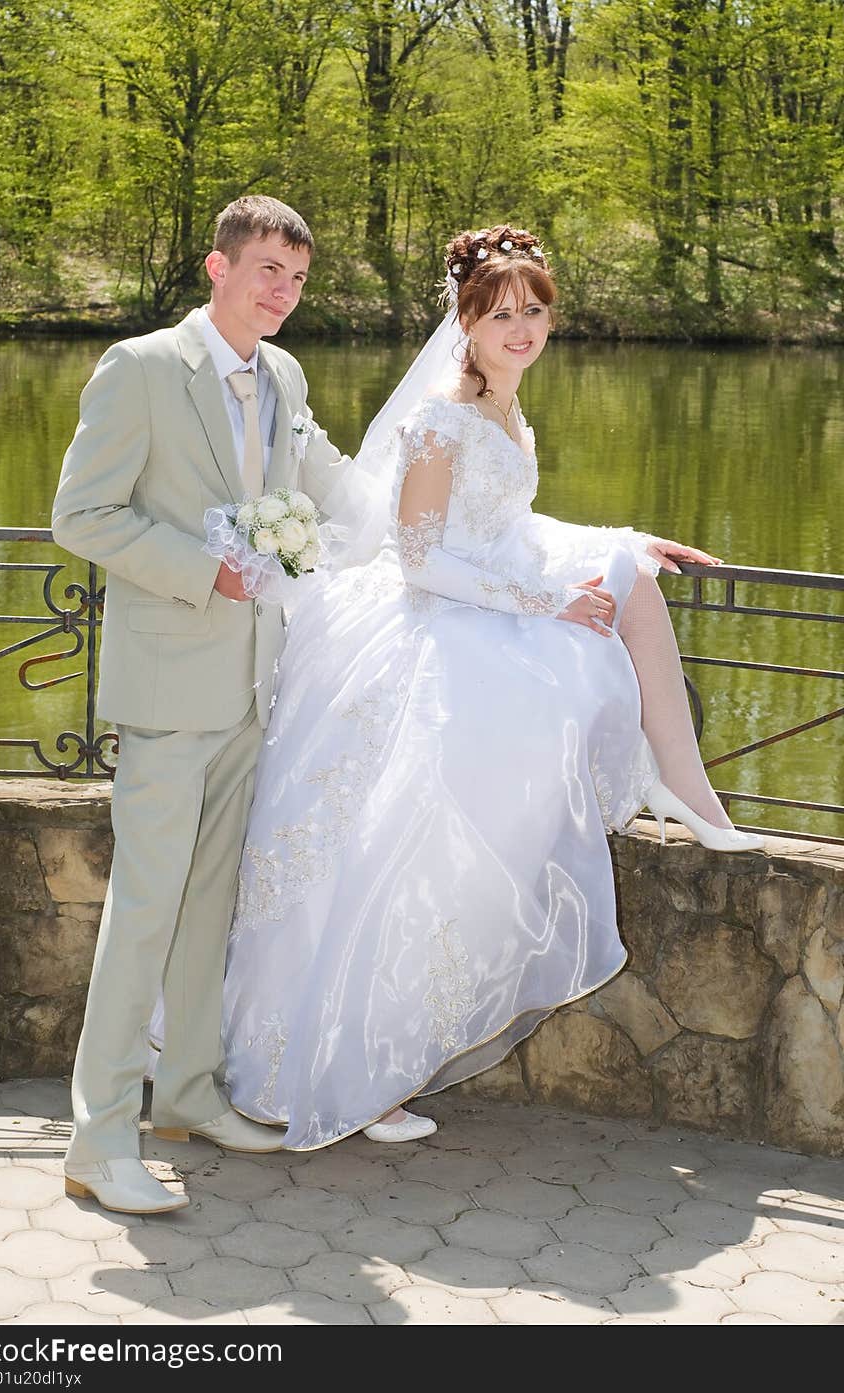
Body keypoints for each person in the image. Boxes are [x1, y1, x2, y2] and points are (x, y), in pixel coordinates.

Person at [211, 224, 764, 1154]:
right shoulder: (440, 419)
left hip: (485, 591)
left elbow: (509, 514)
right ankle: (361, 1071)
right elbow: (421, 559)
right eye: (501, 314)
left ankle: (683, 780)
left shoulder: (507, 410)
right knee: (399, 853)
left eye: (535, 311)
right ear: (464, 322)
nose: (522, 329)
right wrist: (549, 598)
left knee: (626, 580)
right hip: (425, 625)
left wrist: (621, 538)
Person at [52, 195, 350, 1214]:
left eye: (297, 278)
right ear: (217, 268)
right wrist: (200, 571)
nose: (282, 291)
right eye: (266, 269)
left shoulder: (286, 377)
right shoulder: (139, 370)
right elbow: (81, 514)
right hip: (170, 683)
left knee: (208, 908)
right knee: (141, 911)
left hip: (251, 684)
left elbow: (321, 486)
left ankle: (185, 1094)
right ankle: (97, 1141)